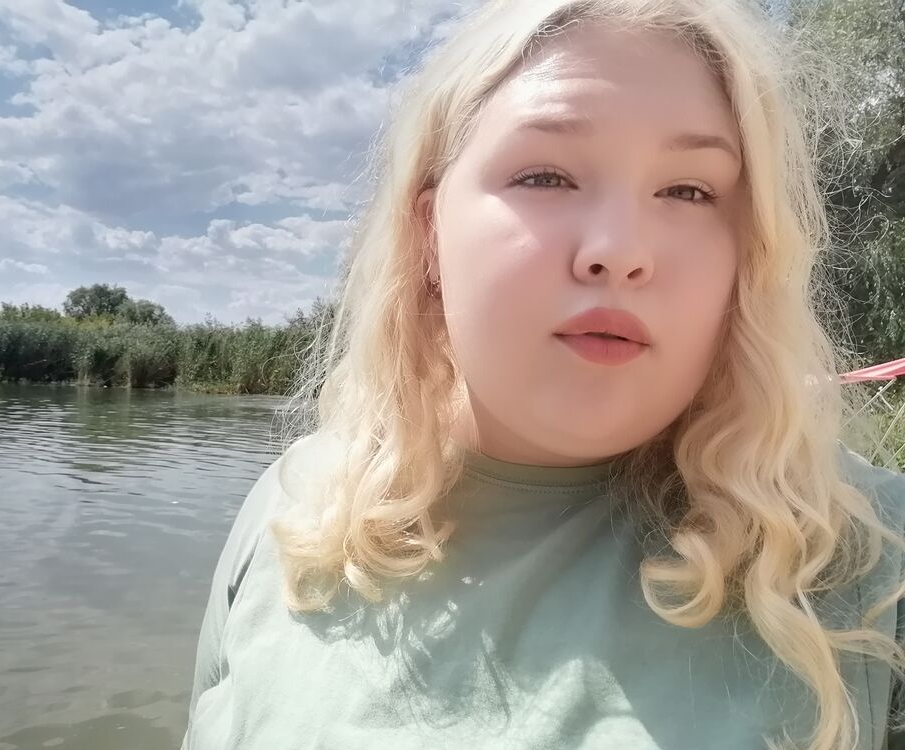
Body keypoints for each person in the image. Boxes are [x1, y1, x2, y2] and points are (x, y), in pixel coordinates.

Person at [180, 1, 905, 748]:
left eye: (689, 191)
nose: (620, 251)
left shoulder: (877, 568)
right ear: (429, 233)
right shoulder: (293, 511)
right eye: (546, 177)